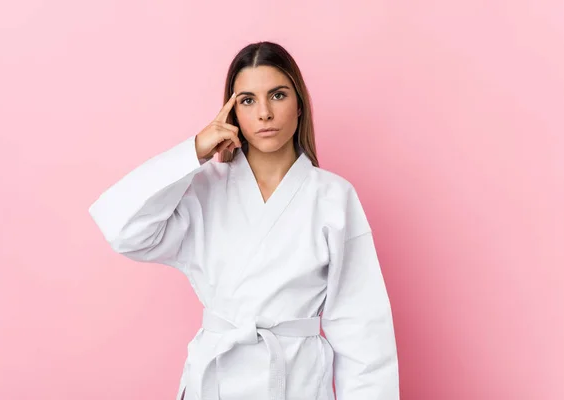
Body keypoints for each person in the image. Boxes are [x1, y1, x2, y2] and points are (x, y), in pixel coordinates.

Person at [89, 41, 399, 400]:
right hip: (216, 381)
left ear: (300, 105)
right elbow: (122, 228)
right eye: (248, 100)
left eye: (278, 95)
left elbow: (363, 330)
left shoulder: (333, 197)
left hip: (296, 383)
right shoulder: (202, 188)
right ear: (232, 112)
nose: (264, 113)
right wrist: (193, 151)